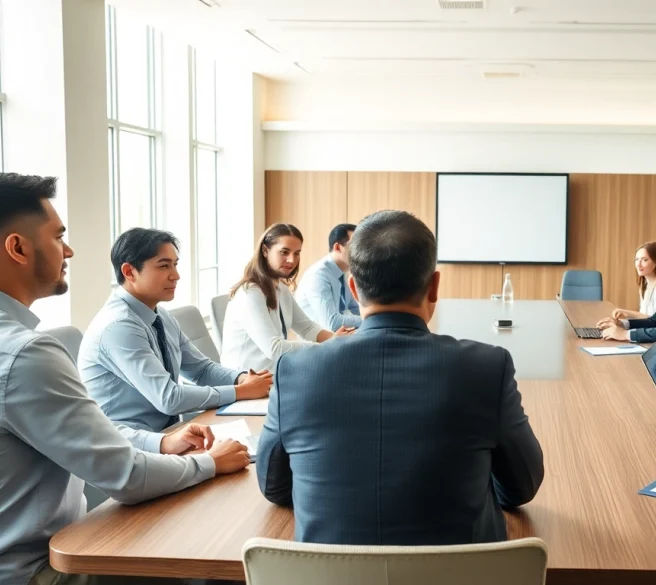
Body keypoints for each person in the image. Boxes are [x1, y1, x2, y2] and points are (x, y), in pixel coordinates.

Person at [0, 173, 249, 585]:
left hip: (55, 538)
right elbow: (125, 476)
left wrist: (161, 442)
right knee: (214, 559)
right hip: (39, 568)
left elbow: (87, 435)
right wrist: (208, 464)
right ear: (18, 248)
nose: (69, 250)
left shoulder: (14, 346)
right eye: (59, 237)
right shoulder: (23, 353)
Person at [255, 210, 544, 545]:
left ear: (354, 287)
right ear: (434, 286)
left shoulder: (294, 371)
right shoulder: (487, 367)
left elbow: (273, 487)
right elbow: (521, 489)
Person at [79, 228, 273, 437]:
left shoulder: (160, 316)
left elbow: (201, 370)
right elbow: (169, 399)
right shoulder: (118, 326)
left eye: (175, 264)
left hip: (168, 434)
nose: (176, 275)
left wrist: (242, 379)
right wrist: (240, 392)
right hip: (129, 444)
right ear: (129, 272)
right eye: (164, 266)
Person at [221, 223, 345, 372]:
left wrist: (336, 339)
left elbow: (306, 327)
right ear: (265, 251)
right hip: (248, 381)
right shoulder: (250, 294)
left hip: (274, 374)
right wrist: (327, 346)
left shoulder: (281, 288)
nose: (292, 260)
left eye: (297, 253)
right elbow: (274, 348)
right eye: (284, 252)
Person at [296, 223, 363, 332]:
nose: (359, 252)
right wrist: (367, 321)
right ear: (337, 247)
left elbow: (356, 308)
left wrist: (377, 318)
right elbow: (333, 322)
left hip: (333, 340)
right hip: (315, 344)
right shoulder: (318, 275)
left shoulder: (343, 272)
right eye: (355, 246)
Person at [610, 242, 656, 320]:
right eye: (637, 259)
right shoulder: (645, 285)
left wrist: (627, 313)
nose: (638, 264)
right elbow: (643, 316)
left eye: (645, 260)